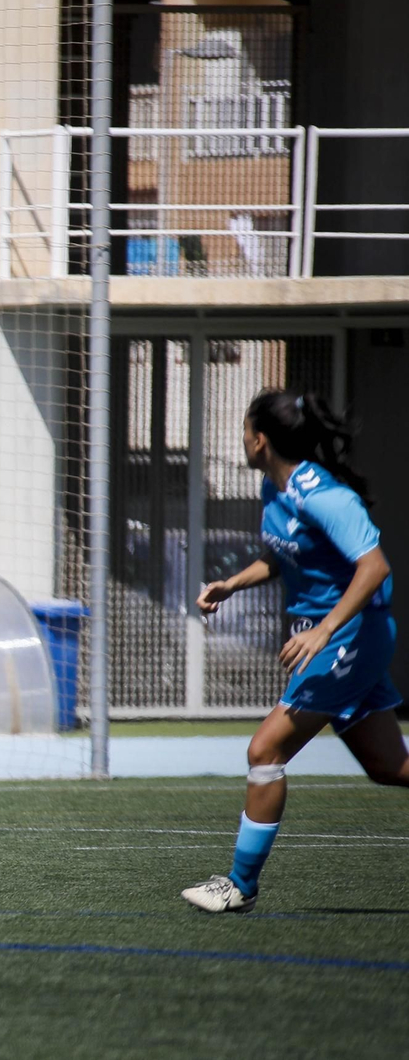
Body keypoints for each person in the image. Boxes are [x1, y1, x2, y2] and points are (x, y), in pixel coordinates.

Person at [181, 390, 406, 912]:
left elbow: (375, 567)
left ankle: (240, 885)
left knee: (265, 751)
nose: (242, 438)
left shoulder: (324, 496)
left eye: (244, 430)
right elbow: (284, 555)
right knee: (388, 766)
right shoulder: (274, 487)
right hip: (337, 640)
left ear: (260, 440)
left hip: (349, 639)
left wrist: (324, 630)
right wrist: (232, 584)